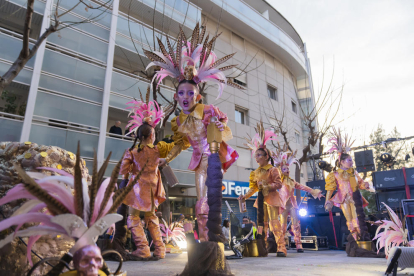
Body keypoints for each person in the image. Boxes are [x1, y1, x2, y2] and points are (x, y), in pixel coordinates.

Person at [145, 25, 242, 242]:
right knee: (201, 201)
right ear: (176, 96)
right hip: (199, 163)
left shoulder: (207, 110)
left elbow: (223, 125)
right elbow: (181, 144)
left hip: (214, 160)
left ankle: (213, 239)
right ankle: (205, 241)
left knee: (209, 199)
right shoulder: (178, 121)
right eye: (181, 93)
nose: (185, 96)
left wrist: (218, 124)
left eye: (190, 93)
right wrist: (166, 157)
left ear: (197, 96)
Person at [119, 99, 175, 260]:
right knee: (151, 217)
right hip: (153, 188)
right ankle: (160, 249)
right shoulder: (158, 150)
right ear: (152, 135)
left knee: (133, 217)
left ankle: (143, 248)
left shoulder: (132, 152)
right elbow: (173, 147)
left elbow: (124, 171)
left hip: (136, 189)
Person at [239, 122, 286, 256]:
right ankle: (262, 247)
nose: (256, 157)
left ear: (266, 157)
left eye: (259, 155)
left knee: (274, 223)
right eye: (256, 155)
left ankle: (281, 247)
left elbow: (278, 184)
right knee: (261, 225)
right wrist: (245, 197)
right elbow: (253, 188)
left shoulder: (273, 170)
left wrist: (267, 186)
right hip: (260, 200)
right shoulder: (255, 172)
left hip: (271, 199)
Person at [273, 145, 323, 253]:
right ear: (281, 171)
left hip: (292, 205)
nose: (287, 170)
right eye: (284, 169)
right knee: (282, 225)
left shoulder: (292, 181)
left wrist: (314, 191)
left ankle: (298, 244)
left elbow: (303, 187)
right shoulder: (279, 180)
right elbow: (276, 174)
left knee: (296, 224)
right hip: (283, 205)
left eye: (288, 169)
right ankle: (281, 245)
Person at [324, 128, 371, 241]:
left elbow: (360, 183)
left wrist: (366, 185)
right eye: (349, 160)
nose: (351, 162)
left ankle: (361, 239)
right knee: (349, 220)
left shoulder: (353, 172)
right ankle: (355, 239)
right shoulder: (334, 174)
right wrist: (327, 200)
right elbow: (330, 188)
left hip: (354, 198)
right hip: (343, 199)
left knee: (357, 219)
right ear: (342, 162)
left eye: (351, 160)